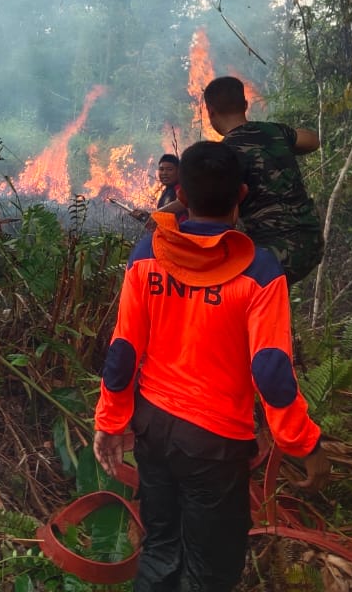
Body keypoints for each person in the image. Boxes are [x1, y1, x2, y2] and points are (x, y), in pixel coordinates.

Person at [93, 141, 329, 592]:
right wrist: (304, 443)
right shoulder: (260, 271)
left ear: (181, 194)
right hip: (215, 443)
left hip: (154, 429)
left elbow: (123, 351)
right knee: (210, 571)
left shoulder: (148, 254)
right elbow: (271, 371)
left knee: (161, 547)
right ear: (241, 195)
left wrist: (110, 420)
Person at [203, 76, 323, 287]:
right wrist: (284, 141)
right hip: (312, 241)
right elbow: (313, 141)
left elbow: (227, 219)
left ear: (210, 111)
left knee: (217, 285)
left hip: (274, 252)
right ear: (245, 105)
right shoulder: (275, 131)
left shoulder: (224, 154)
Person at [129, 153, 180, 222]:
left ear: (178, 171)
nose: (164, 173)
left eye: (169, 169)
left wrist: (152, 214)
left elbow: (181, 203)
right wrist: (146, 217)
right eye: (161, 169)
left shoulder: (181, 188)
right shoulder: (166, 191)